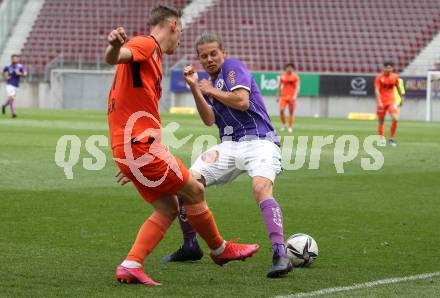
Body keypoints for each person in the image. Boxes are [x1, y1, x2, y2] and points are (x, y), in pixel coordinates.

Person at [105, 6, 259, 286]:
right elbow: (117, 56)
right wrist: (115, 47)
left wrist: (129, 158)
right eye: (181, 32)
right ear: (173, 25)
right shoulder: (147, 44)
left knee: (167, 207)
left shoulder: (151, 58)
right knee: (195, 190)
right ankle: (220, 249)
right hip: (141, 146)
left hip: (126, 149)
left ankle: (131, 264)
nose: (180, 39)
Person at [161, 32, 292, 278]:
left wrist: (209, 89)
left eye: (213, 53)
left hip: (260, 139)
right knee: (187, 183)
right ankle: (190, 245)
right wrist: (195, 89)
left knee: (260, 187)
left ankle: (280, 254)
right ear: (198, 60)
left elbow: (242, 101)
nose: (209, 59)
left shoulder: (232, 68)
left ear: (223, 53)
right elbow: (209, 119)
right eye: (204, 56)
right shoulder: (210, 83)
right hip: (230, 144)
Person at [375, 61, 404, 147]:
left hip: (391, 101)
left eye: (390, 68)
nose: (388, 69)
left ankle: (391, 139)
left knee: (395, 118)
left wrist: (401, 98)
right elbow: (376, 90)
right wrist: (379, 101)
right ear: (384, 68)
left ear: (392, 68)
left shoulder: (395, 77)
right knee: (381, 121)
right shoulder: (379, 77)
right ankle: (381, 139)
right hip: (382, 102)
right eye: (387, 67)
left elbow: (398, 87)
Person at [276, 63, 300, 133]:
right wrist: (277, 96)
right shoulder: (283, 76)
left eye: (290, 67)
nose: (289, 69)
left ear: (293, 68)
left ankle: (290, 127)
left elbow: (297, 87)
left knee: (291, 112)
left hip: (292, 97)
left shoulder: (295, 77)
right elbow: (279, 86)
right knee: (281, 110)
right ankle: (283, 125)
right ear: (286, 68)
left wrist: (295, 96)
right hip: (283, 96)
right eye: (288, 67)